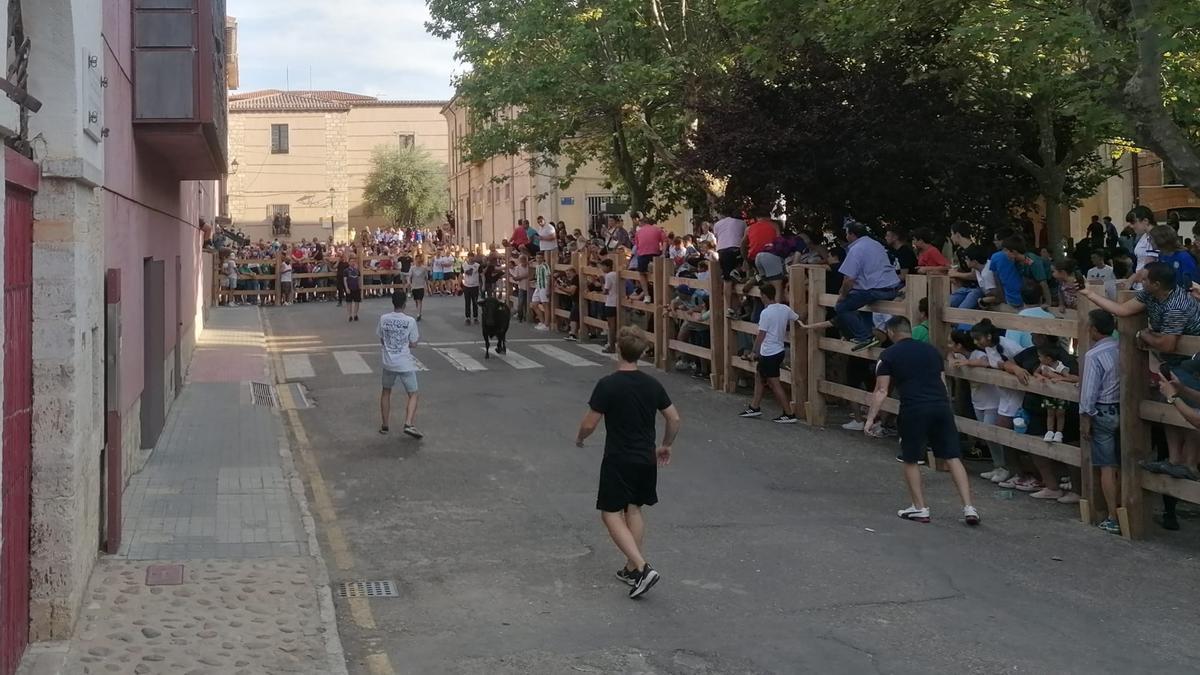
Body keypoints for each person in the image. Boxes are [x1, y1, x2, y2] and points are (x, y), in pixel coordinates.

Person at [574, 327, 682, 599]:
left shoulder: (608, 384)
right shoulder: (651, 384)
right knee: (633, 509)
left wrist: (580, 438)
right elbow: (674, 418)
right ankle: (631, 568)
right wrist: (666, 445)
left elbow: (590, 423)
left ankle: (644, 568)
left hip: (619, 457)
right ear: (642, 353)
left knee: (610, 513)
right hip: (646, 457)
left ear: (618, 350)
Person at [863, 316, 981, 526]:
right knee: (953, 456)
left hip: (914, 407)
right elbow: (942, 381)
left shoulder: (888, 355)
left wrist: (871, 418)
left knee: (911, 458)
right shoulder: (932, 351)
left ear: (891, 332)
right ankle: (969, 507)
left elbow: (881, 390)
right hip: (940, 405)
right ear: (909, 330)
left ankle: (920, 508)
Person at [802, 222, 901, 351]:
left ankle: (864, 336)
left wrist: (842, 295)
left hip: (875, 289)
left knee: (842, 306)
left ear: (852, 234)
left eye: (847, 233)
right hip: (891, 288)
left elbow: (849, 278)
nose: (846, 235)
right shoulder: (876, 244)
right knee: (862, 305)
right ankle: (868, 334)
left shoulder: (856, 249)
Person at [1078, 309, 1121, 534]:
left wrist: (1086, 418)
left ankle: (1113, 515)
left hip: (1102, 411)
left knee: (1106, 466)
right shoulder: (1122, 348)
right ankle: (1124, 511)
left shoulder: (1093, 355)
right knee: (1121, 464)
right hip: (1122, 408)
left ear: (1094, 329)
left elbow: (1088, 393)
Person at [738, 284, 799, 424]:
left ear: (764, 296)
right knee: (759, 376)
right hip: (778, 350)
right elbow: (797, 317)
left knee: (774, 383)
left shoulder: (766, 313)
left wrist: (754, 351)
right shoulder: (784, 308)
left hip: (768, 352)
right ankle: (754, 406)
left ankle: (789, 413)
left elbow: (761, 335)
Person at [378, 291, 423, 439]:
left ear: (392, 302)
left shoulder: (384, 319)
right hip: (404, 362)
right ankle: (408, 423)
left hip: (388, 362)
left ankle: (385, 425)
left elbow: (382, 339)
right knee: (413, 393)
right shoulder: (410, 321)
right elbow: (414, 343)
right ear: (404, 304)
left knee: (386, 392)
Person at [1034, 345, 1079, 442]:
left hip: (1060, 394)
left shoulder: (1060, 366)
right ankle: (1050, 431)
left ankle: (1059, 432)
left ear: (1048, 358)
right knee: (1050, 413)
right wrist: (1039, 376)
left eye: (1040, 356)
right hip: (1050, 393)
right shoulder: (1042, 366)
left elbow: (1071, 378)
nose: (1039, 358)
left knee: (1060, 413)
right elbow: (1035, 373)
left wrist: (1061, 378)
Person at [601, 258, 619, 353]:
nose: (602, 268)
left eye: (603, 266)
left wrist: (601, 283)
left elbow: (606, 290)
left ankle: (611, 345)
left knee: (611, 326)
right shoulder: (616, 274)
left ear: (608, 266)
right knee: (615, 324)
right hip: (617, 302)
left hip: (610, 302)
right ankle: (613, 344)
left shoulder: (608, 276)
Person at [532, 252, 551, 330]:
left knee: (545, 305)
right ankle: (542, 322)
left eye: (540, 257)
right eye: (537, 257)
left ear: (543, 258)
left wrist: (548, 289)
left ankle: (546, 324)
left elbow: (548, 276)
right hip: (538, 286)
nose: (539, 259)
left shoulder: (545, 266)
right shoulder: (537, 266)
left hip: (544, 286)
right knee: (534, 304)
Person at [462, 254, 481, 324]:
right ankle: (468, 317)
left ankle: (475, 317)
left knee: (475, 302)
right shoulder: (464, 265)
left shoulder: (477, 265)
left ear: (474, 257)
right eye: (470, 257)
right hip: (466, 286)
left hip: (475, 286)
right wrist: (459, 285)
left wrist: (483, 284)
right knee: (467, 302)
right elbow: (461, 275)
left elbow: (482, 274)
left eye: (472, 257)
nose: (471, 258)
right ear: (468, 257)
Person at [409, 254, 429, 321]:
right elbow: (410, 277)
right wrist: (409, 283)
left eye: (419, 259)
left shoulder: (424, 268)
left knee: (419, 300)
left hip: (421, 286)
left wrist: (428, 287)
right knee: (416, 301)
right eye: (417, 259)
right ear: (415, 260)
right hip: (414, 287)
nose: (418, 260)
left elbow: (426, 278)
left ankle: (418, 314)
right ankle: (418, 311)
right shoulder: (412, 268)